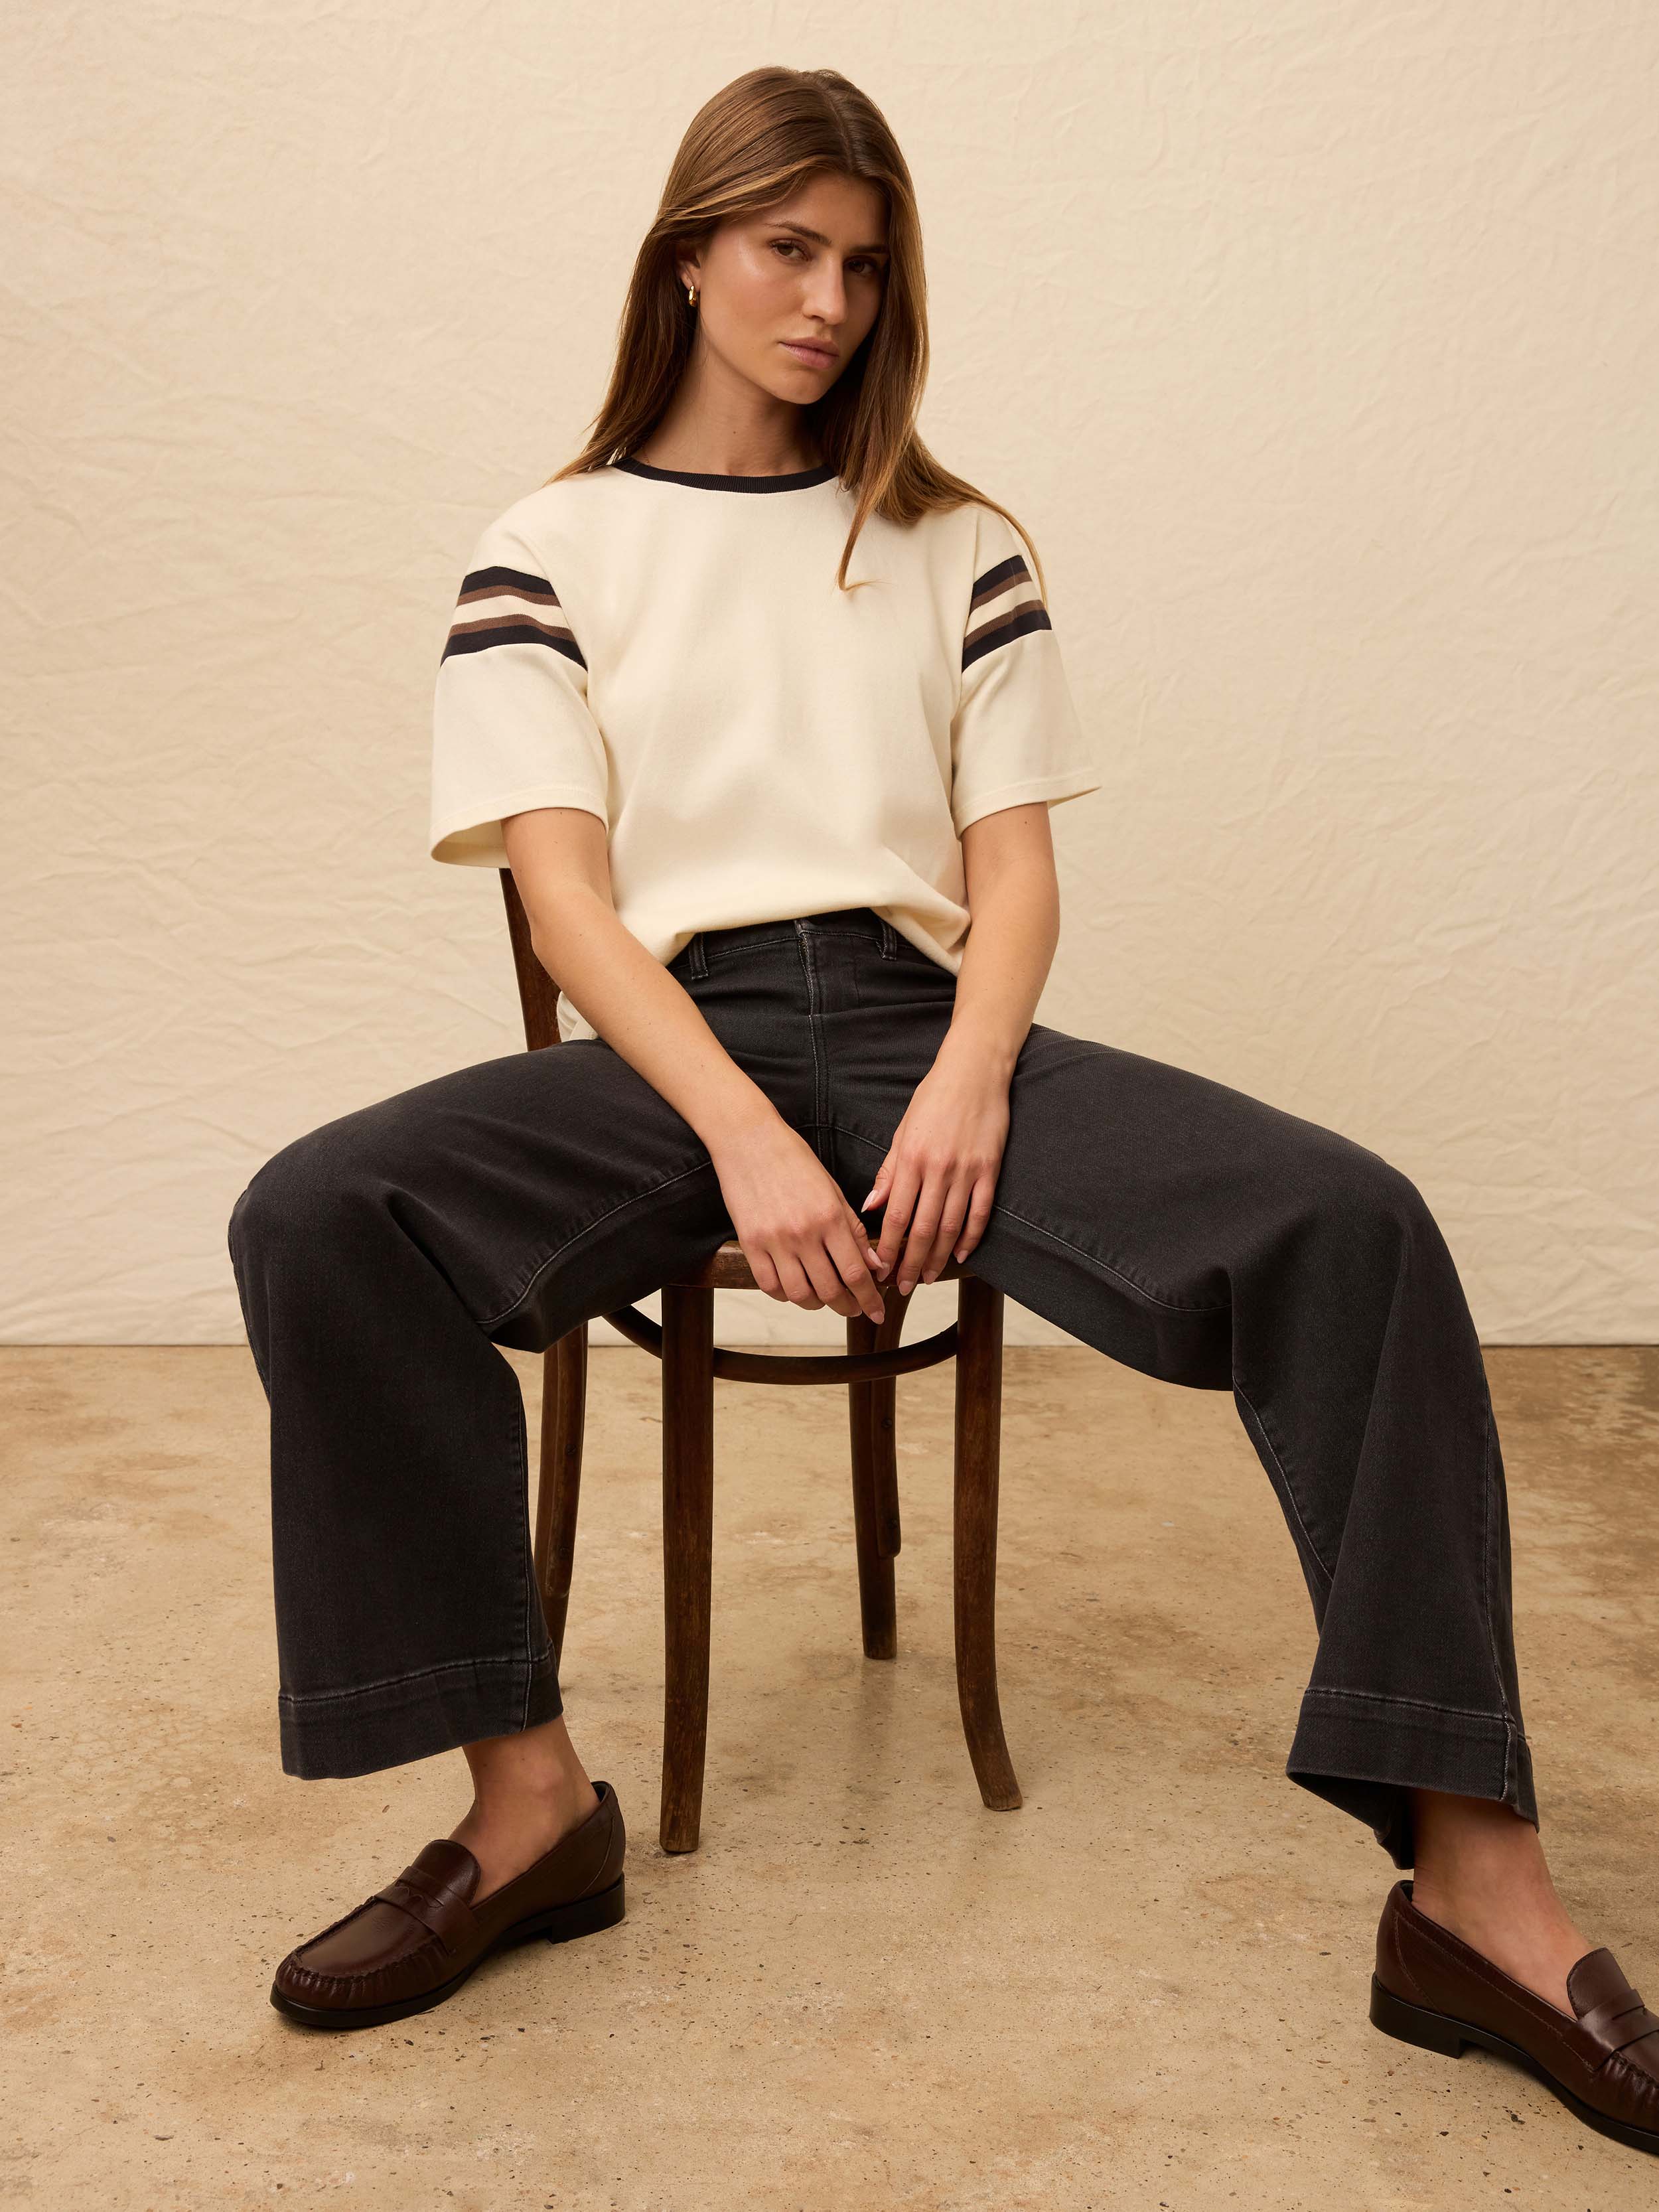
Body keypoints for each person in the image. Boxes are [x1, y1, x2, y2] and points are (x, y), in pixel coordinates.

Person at [226, 64, 1658, 2151]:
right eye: (789, 249)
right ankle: (528, 1813)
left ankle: (1473, 1891)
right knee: (313, 1210)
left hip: (924, 1025)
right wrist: (733, 1130)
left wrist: (968, 1088)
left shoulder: (948, 540)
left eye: (866, 266)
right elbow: (563, 889)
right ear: (691, 252)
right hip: (672, 1047)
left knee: (1356, 1219)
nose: (827, 300)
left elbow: (1013, 874)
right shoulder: (552, 543)